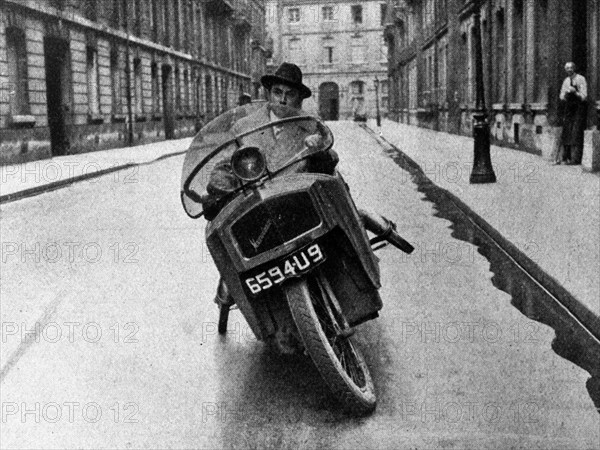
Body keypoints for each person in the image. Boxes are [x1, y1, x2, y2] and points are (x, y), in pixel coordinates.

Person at [206, 62, 338, 307]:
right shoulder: (244, 127)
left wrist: (318, 150)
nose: (283, 100)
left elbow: (329, 165)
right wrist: (223, 189)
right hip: (257, 209)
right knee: (233, 242)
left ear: (299, 98)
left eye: (290, 94)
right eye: (278, 92)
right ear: (268, 94)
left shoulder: (311, 126)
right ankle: (230, 278)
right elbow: (222, 166)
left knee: (336, 235)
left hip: (299, 207)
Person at [556, 62, 588, 165]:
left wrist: (575, 92)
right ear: (565, 70)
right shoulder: (566, 81)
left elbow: (584, 96)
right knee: (567, 132)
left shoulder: (580, 79)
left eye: (571, 68)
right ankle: (566, 157)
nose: (569, 70)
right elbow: (561, 96)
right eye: (567, 68)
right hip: (569, 109)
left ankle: (575, 159)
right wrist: (565, 94)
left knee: (576, 132)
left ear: (574, 68)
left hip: (578, 109)